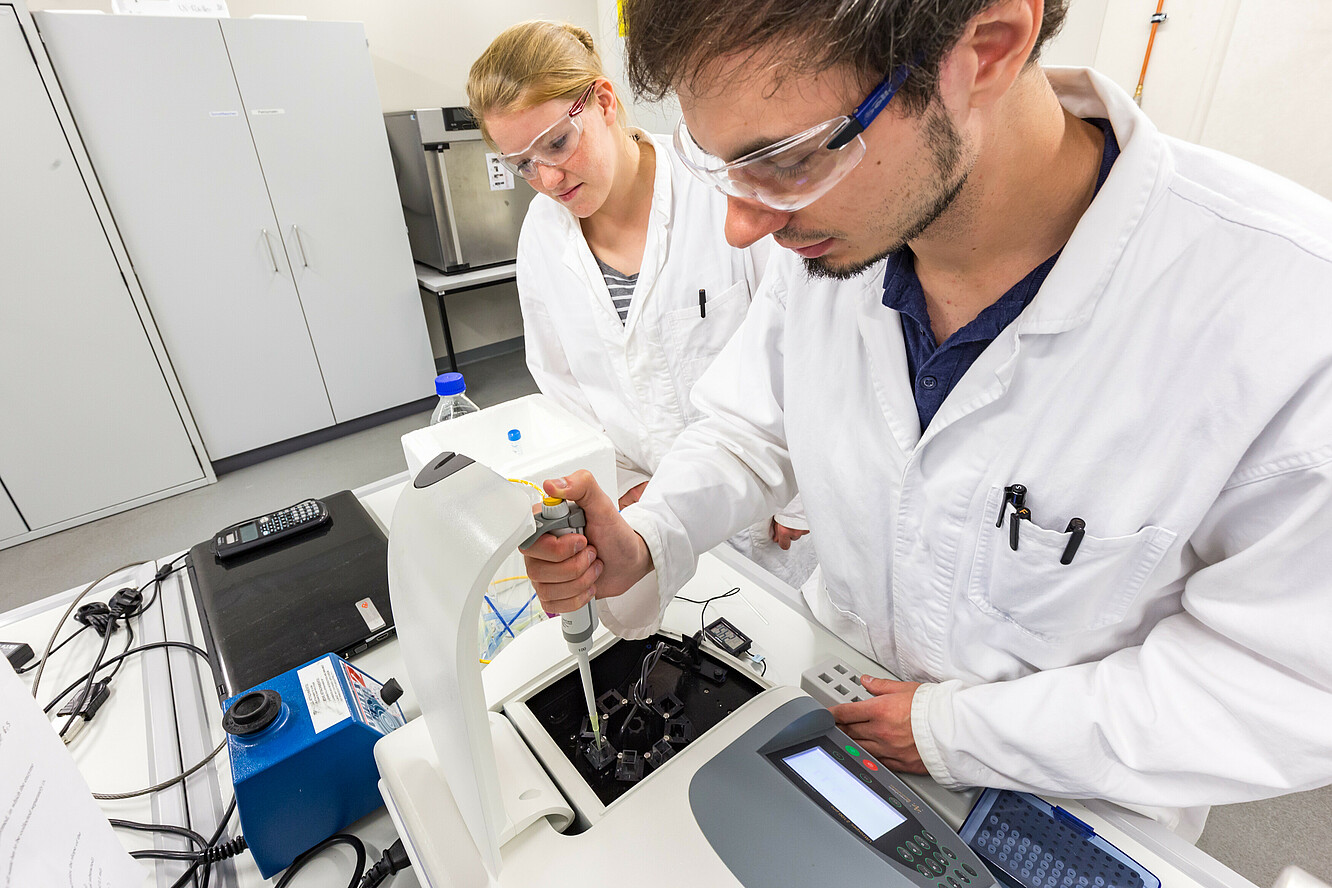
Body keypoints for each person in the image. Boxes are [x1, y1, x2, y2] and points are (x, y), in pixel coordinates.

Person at [519, 0, 1332, 841]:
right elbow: (747, 426)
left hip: (1072, 809)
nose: (740, 226)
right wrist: (653, 535)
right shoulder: (839, 245)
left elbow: (1287, 681)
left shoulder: (1290, 316)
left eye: (788, 159)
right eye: (725, 167)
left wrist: (956, 732)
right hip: (842, 713)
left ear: (986, 47)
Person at [467, 21, 816, 588]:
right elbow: (560, 383)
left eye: (556, 143)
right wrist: (624, 483)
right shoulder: (542, 235)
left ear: (603, 101)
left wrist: (799, 502)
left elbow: (797, 348)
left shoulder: (716, 191)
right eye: (523, 164)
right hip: (642, 516)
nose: (548, 177)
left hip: (770, 512)